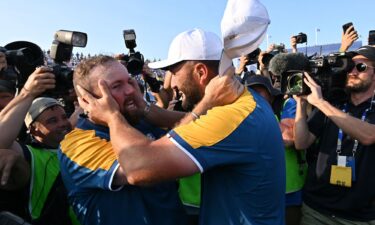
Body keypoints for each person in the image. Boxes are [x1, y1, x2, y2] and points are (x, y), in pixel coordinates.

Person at [76, 28, 285, 225]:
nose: (171, 83)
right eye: (117, 85)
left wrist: (112, 117)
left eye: (173, 72)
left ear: (201, 72)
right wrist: (150, 111)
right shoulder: (245, 103)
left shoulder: (230, 116)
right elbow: (189, 123)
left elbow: (139, 167)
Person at [294, 45, 375, 224]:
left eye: (361, 67)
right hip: (316, 208)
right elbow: (302, 142)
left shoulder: (327, 105)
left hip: (358, 216)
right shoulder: (334, 102)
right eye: (349, 67)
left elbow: (369, 136)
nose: (352, 72)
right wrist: (300, 103)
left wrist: (321, 103)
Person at [0, 66, 76, 225]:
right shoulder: (29, 154)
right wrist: (28, 93)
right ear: (33, 129)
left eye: (64, 117)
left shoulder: (78, 144)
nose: (63, 124)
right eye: (52, 121)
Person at [247, 75, 307, 225]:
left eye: (259, 93)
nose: (254, 98)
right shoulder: (240, 114)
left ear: (271, 95)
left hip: (289, 192)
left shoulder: (289, 104)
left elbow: (289, 138)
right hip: (259, 194)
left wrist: (262, 113)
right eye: (249, 93)